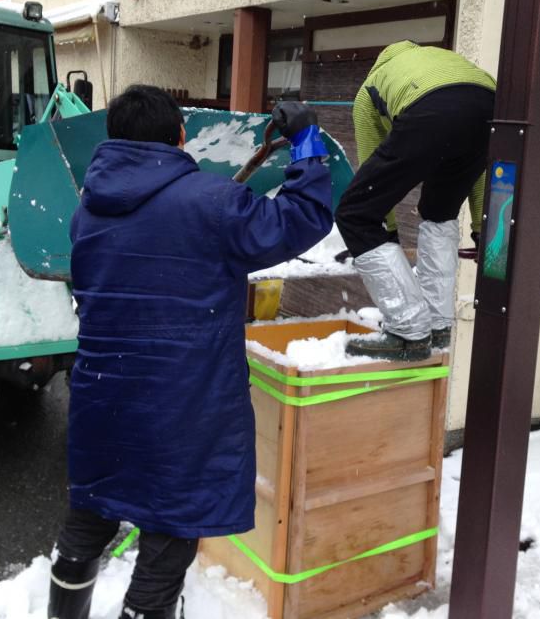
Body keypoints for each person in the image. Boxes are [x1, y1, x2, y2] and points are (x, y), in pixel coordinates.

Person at [47, 87, 332, 619]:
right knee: (168, 533)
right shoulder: (213, 202)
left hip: (101, 398)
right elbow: (299, 220)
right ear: (180, 137)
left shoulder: (88, 210)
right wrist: (307, 142)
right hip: (180, 406)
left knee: (87, 519)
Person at [336, 41, 495, 361]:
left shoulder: (370, 90)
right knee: (439, 210)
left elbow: (371, 178)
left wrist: (386, 233)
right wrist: (481, 228)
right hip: (491, 105)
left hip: (429, 108)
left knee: (354, 213)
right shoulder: (437, 61)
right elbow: (478, 171)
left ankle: (408, 332)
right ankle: (438, 325)